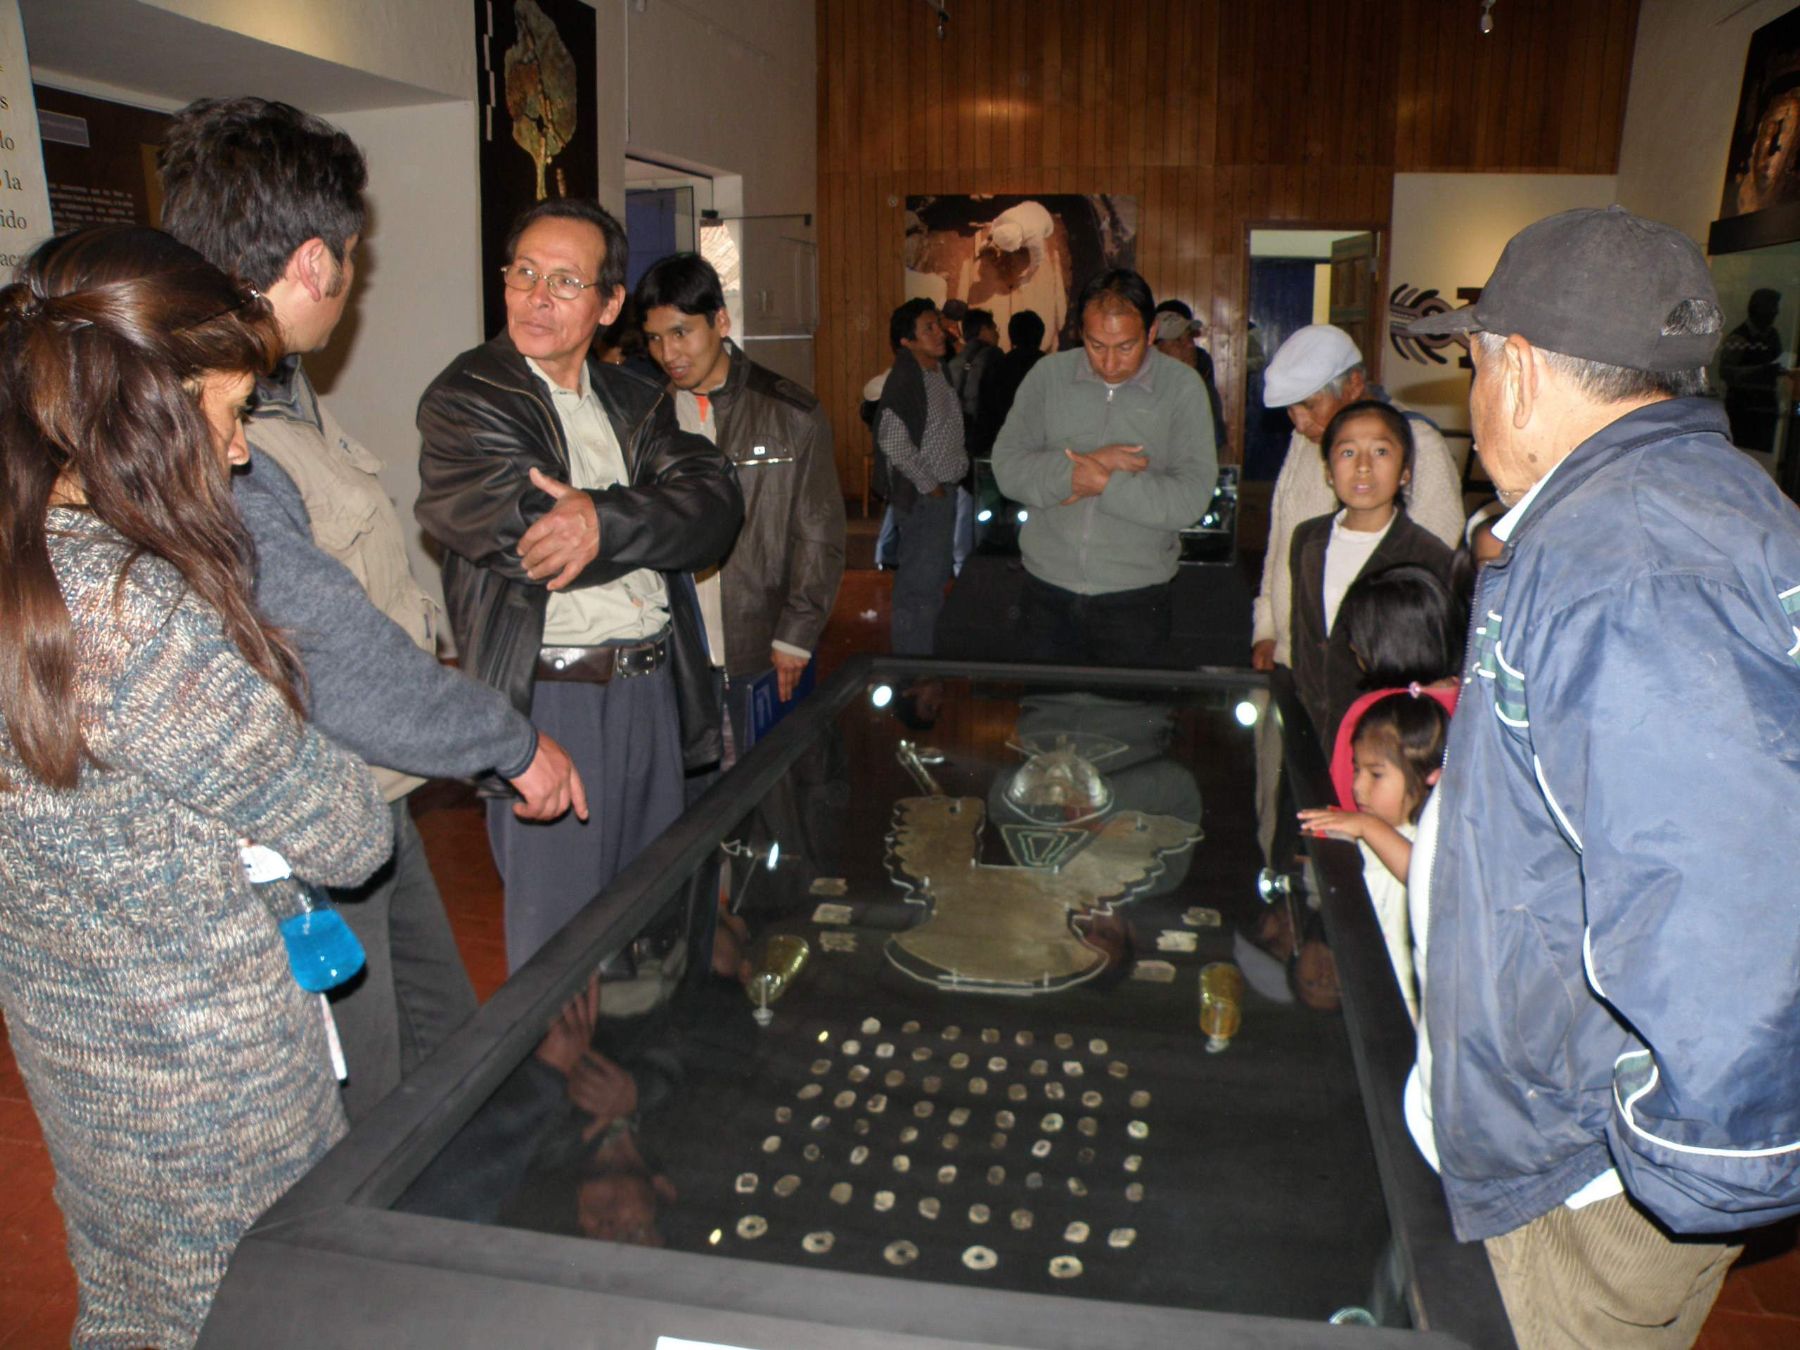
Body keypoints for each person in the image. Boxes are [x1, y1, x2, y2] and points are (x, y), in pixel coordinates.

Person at [1403, 205, 1800, 1347]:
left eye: (1475, 364)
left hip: (1583, 1194)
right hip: (1578, 1147)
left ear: (1517, 370)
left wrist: (1652, 1163)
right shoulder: (1707, 499)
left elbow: (1720, 912)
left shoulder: (1628, 570)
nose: (1473, 396)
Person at [158, 95, 588, 1120]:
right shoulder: (196, 418)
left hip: (371, 802)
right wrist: (507, 742)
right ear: (315, 261)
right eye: (352, 258)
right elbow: (324, 643)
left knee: (443, 1057)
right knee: (366, 1100)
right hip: (299, 827)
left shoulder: (272, 382)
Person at [0, 225, 392, 1346]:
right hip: (213, 1094)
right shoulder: (127, 617)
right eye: (225, 415)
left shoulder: (24, 561)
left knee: (127, 1307)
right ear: (148, 417)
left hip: (80, 1055)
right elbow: (348, 831)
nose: (235, 455)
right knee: (238, 1316)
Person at [416, 199, 743, 973]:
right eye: (524, 273)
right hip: (555, 698)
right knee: (562, 956)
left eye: (565, 282)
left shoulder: (634, 398)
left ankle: (644, 1085)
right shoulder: (467, 400)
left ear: (609, 303)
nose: (537, 296)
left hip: (655, 688)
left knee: (652, 930)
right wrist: (641, 518)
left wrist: (601, 519)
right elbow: (534, 541)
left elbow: (716, 505)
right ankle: (557, 1094)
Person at [634, 253, 845, 749]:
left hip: (760, 642)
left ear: (721, 322)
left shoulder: (790, 413)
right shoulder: (645, 419)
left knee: (766, 794)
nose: (668, 353)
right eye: (655, 338)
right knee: (691, 807)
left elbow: (819, 532)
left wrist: (795, 634)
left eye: (681, 332)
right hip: (674, 650)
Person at [991, 269, 1217, 666]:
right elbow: (1007, 466)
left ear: (1150, 334)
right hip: (1045, 589)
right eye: (1097, 346)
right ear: (1080, 332)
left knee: (1128, 724)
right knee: (1045, 720)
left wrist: (1105, 483)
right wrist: (1081, 471)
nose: (1110, 363)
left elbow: (1191, 497)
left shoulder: (1182, 388)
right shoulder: (1048, 376)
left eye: (1126, 347)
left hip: (1137, 598)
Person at [1251, 323, 1464, 673]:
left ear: (1353, 386)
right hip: (1300, 655)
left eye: (1308, 405)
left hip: (1375, 663)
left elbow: (1437, 565)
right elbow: (1281, 538)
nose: (1300, 423)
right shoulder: (1304, 440)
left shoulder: (1417, 441)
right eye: (1290, 410)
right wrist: (1267, 628)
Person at [1286, 401, 1455, 744]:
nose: (1363, 467)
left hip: (1382, 741)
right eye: (1347, 453)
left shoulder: (1429, 556)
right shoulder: (1307, 538)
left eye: (1380, 451)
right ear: (1329, 471)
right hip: (1310, 730)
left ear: (1405, 470)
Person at [1299, 690, 1448, 1025]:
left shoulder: (1432, 838)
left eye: (1375, 774)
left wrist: (1366, 826)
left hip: (1409, 1010)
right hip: (1372, 997)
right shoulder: (1372, 830)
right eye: (1356, 770)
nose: (1358, 788)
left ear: (1429, 777)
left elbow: (1421, 874)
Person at [1328, 562, 1464, 811]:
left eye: (1357, 636)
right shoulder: (1477, 698)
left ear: (1385, 642)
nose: (1352, 646)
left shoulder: (1374, 713)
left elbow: (1344, 801)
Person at [874, 298, 967, 655]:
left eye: (937, 325)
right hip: (926, 498)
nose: (938, 333)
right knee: (920, 586)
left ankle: (923, 656)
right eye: (927, 329)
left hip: (940, 492)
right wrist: (931, 487)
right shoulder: (906, 380)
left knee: (929, 581)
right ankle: (914, 664)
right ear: (906, 341)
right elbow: (893, 441)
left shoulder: (935, 372)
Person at [1152, 298, 1227, 452]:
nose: (1190, 345)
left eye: (1190, 338)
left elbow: (1215, 444)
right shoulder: (1139, 390)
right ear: (1155, 349)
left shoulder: (1200, 389)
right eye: (1178, 341)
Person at [1718, 287, 1786, 453]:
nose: (1776, 312)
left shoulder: (1772, 336)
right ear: (1758, 308)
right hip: (1743, 411)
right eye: (1772, 307)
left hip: (1765, 411)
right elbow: (1726, 372)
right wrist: (1761, 371)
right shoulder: (1738, 337)